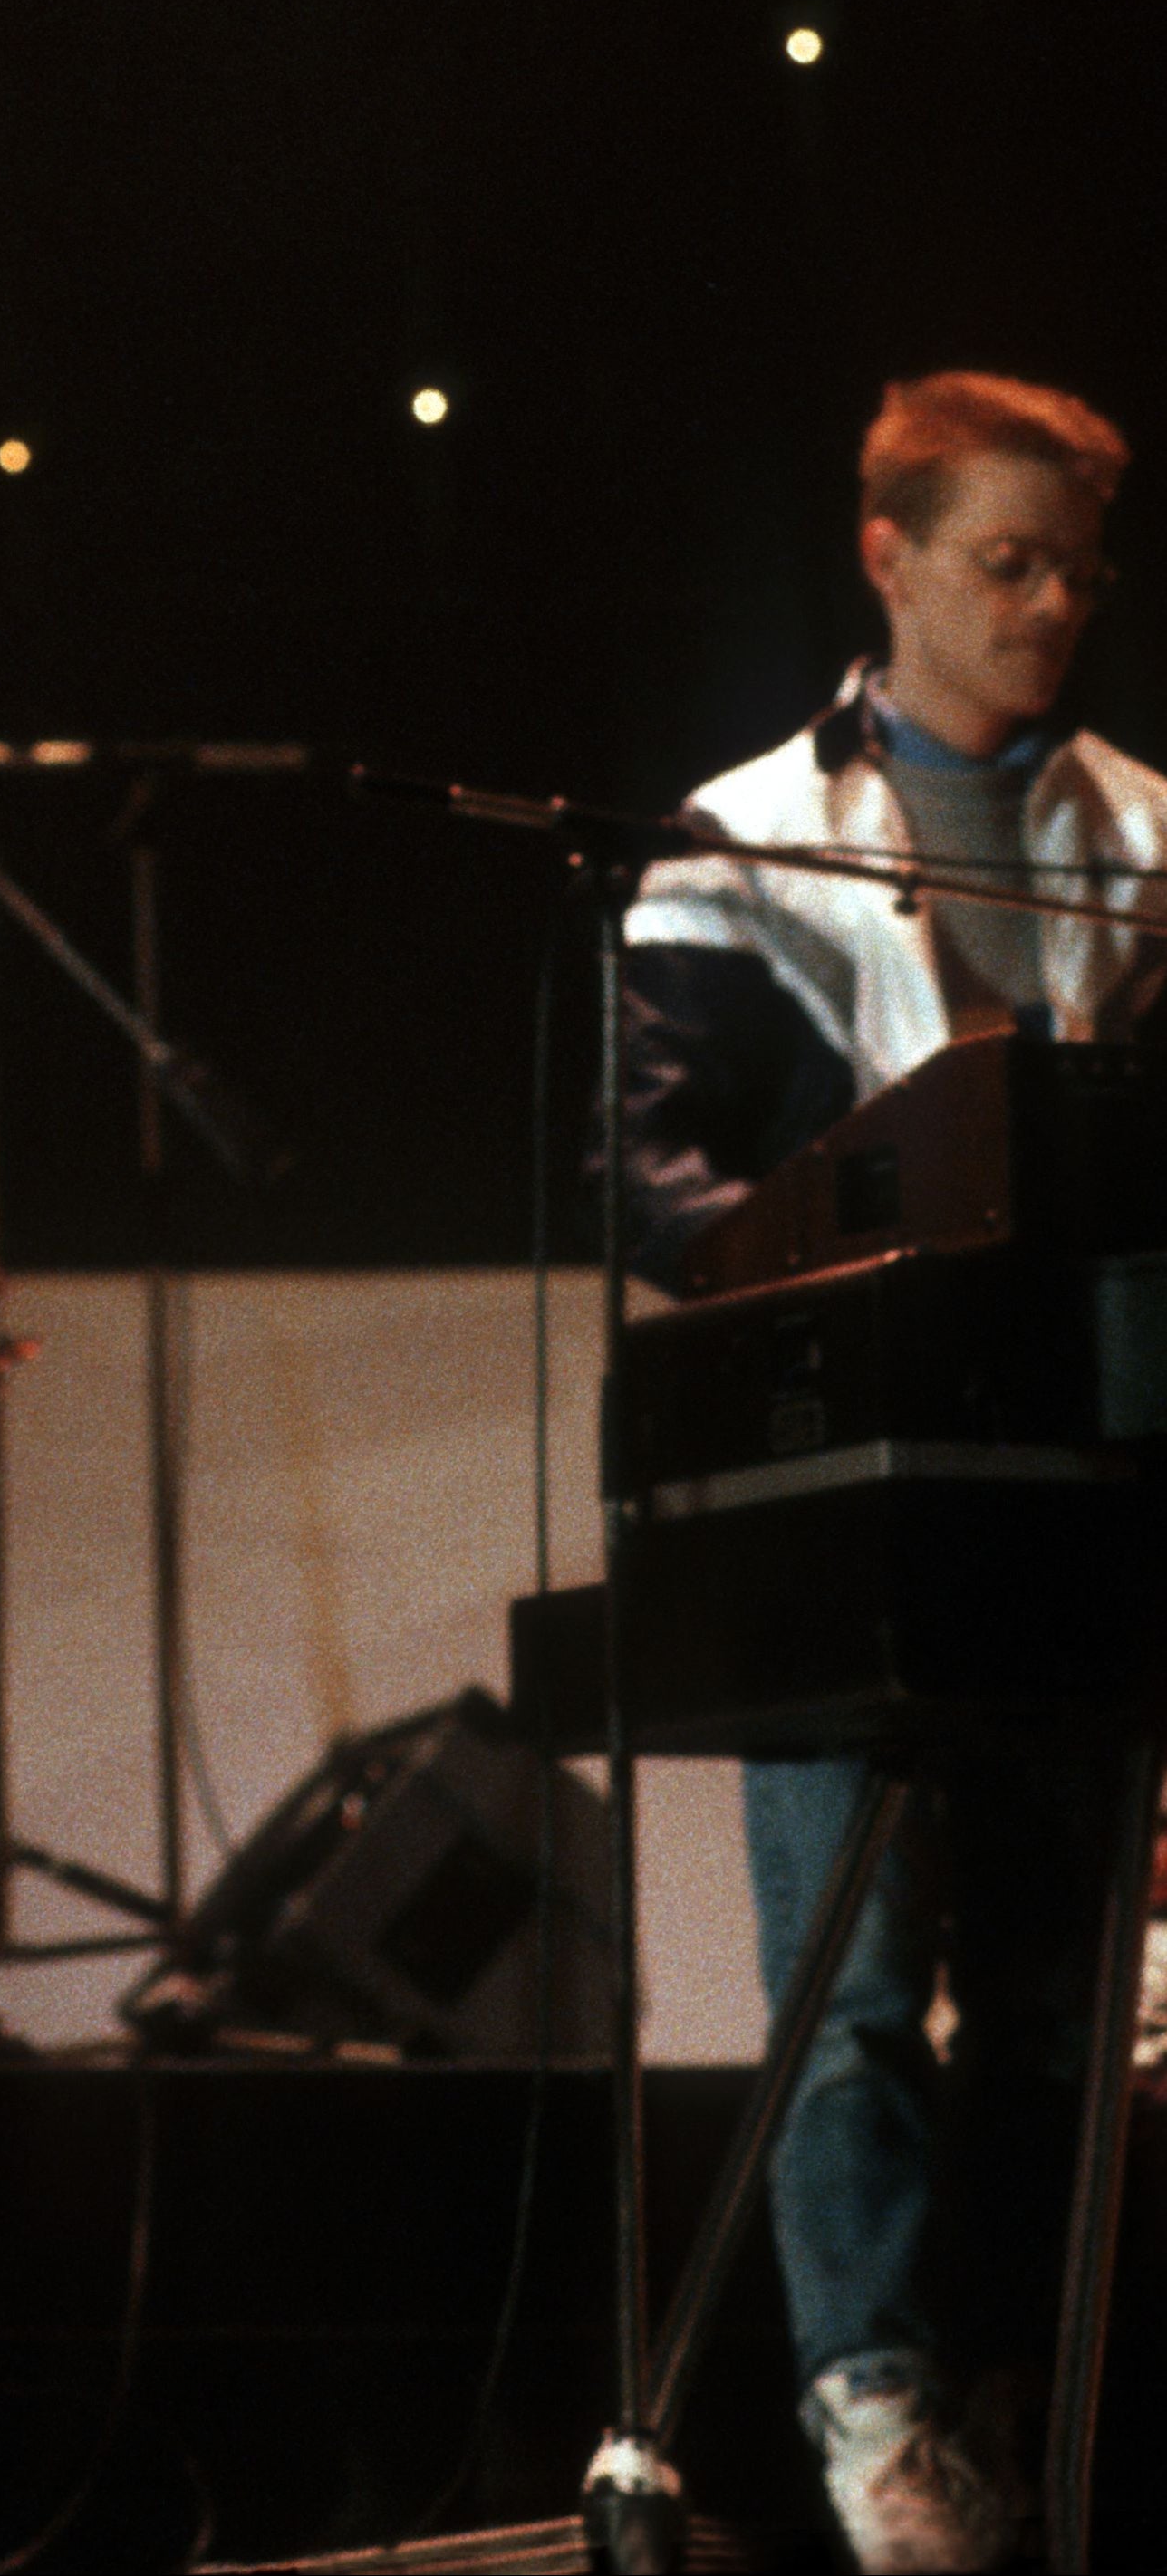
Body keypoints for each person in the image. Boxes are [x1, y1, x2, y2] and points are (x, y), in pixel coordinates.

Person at [619, 370, 1162, 2573]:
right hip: (836, 1488)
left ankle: (1024, 2382)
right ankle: (871, 2414)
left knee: (1051, 1993)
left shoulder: (1145, 833)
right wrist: (829, 1241)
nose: (1046, 605)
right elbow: (646, 1180)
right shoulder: (737, 833)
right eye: (1001, 561)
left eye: (1074, 567)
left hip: (1081, 1478)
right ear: (886, 557)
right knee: (844, 1990)